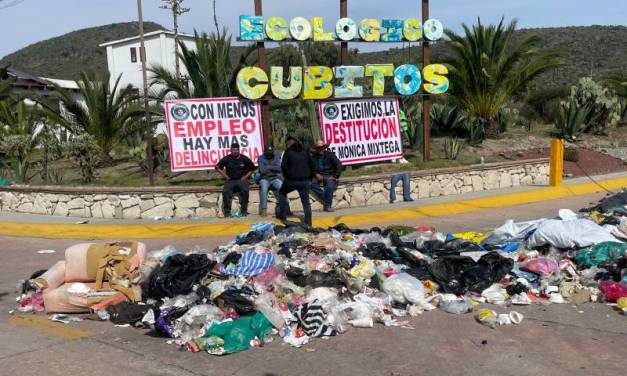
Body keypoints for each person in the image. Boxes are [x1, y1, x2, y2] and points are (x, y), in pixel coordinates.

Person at [277, 136, 316, 226]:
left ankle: (283, 217)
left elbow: (283, 166)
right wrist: (310, 178)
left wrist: (287, 176)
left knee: (282, 193)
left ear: (289, 144)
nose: (286, 146)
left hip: (291, 180)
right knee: (306, 203)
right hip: (305, 181)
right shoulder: (305, 151)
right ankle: (308, 223)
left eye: (287, 144)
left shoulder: (288, 152)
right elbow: (312, 164)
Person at [215, 142, 256, 217]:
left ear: (239, 150)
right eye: (233, 150)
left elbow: (253, 168)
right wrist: (226, 176)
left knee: (245, 191)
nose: (235, 151)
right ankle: (227, 212)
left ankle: (244, 211)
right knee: (225, 191)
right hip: (230, 180)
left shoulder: (244, 158)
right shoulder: (227, 158)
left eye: (236, 150)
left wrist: (245, 177)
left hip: (241, 180)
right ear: (231, 150)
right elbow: (217, 167)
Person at [310, 140, 342, 212]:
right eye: (318, 148)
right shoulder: (314, 156)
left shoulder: (330, 155)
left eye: (322, 147)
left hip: (329, 175)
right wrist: (316, 174)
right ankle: (326, 198)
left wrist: (335, 176)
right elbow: (310, 167)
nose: (320, 149)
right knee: (311, 184)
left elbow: (339, 165)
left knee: (330, 186)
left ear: (324, 147)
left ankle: (328, 205)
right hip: (319, 175)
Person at [257, 145, 282, 217]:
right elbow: (262, 170)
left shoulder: (276, 157)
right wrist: (273, 168)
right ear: (264, 152)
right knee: (264, 189)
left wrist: (268, 167)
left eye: (271, 152)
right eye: (268, 152)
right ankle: (263, 210)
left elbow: (279, 169)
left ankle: (286, 208)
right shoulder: (261, 158)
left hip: (275, 178)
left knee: (281, 187)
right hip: (264, 178)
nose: (269, 154)